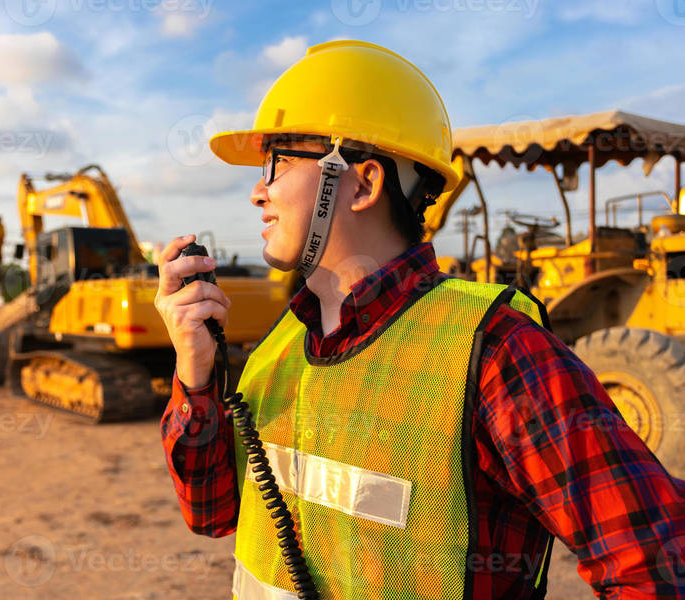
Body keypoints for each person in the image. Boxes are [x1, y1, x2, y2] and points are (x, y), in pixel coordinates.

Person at [154, 40, 684, 599]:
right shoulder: (282, 343)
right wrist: (196, 374)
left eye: (279, 161)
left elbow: (657, 567)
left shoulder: (494, 353)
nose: (258, 191)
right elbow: (212, 513)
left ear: (361, 183)